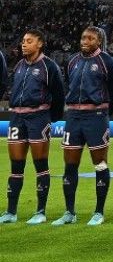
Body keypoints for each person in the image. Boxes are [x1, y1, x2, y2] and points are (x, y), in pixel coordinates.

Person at [52, 26, 113, 227]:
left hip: (96, 117)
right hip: (73, 116)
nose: (85, 40)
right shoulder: (72, 61)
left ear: (99, 41)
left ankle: (99, 212)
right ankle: (69, 212)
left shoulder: (107, 62)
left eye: (90, 38)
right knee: (70, 165)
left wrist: (104, 113)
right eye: (83, 37)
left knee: (100, 164)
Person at [0, 29, 64, 225]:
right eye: (23, 41)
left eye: (29, 41)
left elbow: (59, 95)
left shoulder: (49, 66)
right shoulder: (19, 65)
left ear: (40, 44)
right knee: (16, 167)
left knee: (40, 166)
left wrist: (49, 118)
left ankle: (41, 211)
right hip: (17, 117)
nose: (24, 44)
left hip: (39, 117)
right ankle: (11, 212)